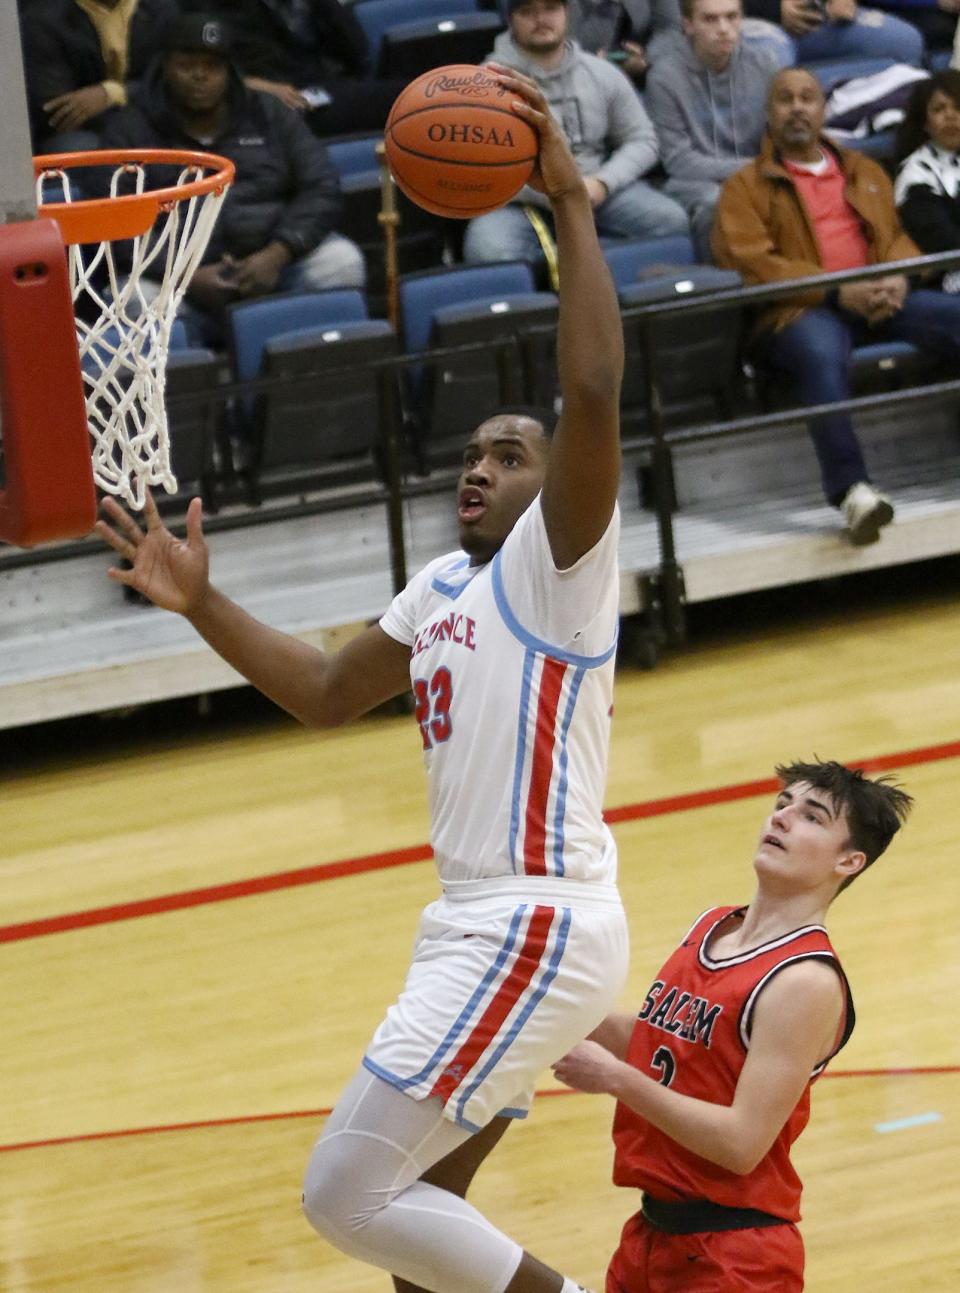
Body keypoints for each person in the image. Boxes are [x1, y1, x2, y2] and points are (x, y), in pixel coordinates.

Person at [97, 65, 629, 1293]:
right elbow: (330, 692)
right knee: (423, 1214)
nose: (480, 470)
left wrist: (573, 207)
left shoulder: (561, 568)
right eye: (472, 456)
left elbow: (592, 388)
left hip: (533, 920)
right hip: (474, 925)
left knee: (344, 1194)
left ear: (557, 487)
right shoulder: (442, 587)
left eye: (509, 455)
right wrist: (200, 601)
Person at [553, 759, 912, 1292]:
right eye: (782, 805)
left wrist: (614, 1078)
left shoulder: (805, 982)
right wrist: (553, 1001)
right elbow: (668, 1049)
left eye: (811, 816)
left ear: (850, 861)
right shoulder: (712, 926)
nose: (784, 818)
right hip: (651, 1234)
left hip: (736, 1256)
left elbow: (741, 1143)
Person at [712, 67, 960, 545]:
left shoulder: (864, 170)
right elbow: (752, 265)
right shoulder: (743, 188)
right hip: (800, 313)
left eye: (808, 98)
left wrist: (899, 277)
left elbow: (895, 238)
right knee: (819, 354)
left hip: (879, 300)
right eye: (785, 99)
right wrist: (832, 290)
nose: (798, 107)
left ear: (824, 111)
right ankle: (852, 492)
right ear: (769, 114)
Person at [97, 13, 364, 347]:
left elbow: (322, 186)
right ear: (165, 67)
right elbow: (117, 226)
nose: (200, 76)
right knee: (133, 297)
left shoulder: (267, 112)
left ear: (229, 70)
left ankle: (300, 381)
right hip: (177, 280)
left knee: (342, 263)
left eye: (212, 66)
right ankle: (189, 393)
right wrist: (186, 277)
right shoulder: (130, 131)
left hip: (272, 263)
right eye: (187, 65)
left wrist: (278, 252)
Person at [463, 0, 689, 267]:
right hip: (521, 201)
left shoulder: (601, 72)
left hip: (594, 189)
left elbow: (644, 139)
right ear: (511, 19)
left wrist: (603, 182)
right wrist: (554, 191)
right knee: (488, 249)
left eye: (550, 8)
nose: (540, 19)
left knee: (670, 221)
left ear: (567, 13)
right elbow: (479, 165)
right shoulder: (484, 85)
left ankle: (610, 286)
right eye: (528, 11)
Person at [645, 0, 783, 256]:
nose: (724, 28)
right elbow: (679, 162)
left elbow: (779, 135)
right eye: (710, 19)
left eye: (732, 17)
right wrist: (752, 169)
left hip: (753, 170)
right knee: (718, 201)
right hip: (690, 181)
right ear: (688, 25)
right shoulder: (664, 78)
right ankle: (718, 282)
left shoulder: (765, 64)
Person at [180, 0, 405, 138]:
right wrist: (247, 83)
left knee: (411, 99)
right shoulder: (203, 6)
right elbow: (190, 66)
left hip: (321, 89)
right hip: (261, 104)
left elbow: (356, 49)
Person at [21, 0, 179, 153]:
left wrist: (113, 93)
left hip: (152, 117)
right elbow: (56, 109)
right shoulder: (43, 18)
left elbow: (171, 78)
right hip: (86, 131)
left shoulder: (162, 8)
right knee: (75, 148)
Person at [894, 69, 960, 290]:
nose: (951, 115)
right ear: (925, 122)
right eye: (939, 109)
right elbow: (944, 245)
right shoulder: (915, 174)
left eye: (958, 107)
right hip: (946, 278)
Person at [741, 0, 925, 67]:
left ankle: (848, 143)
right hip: (752, 21)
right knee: (775, 57)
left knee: (906, 42)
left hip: (820, 13)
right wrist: (773, 8)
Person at [566, 0, 683, 84]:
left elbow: (671, 28)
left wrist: (646, 56)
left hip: (644, 73)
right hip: (581, 75)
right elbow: (566, 40)